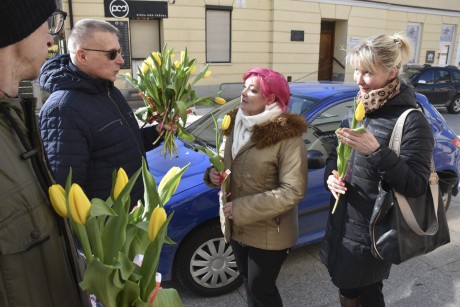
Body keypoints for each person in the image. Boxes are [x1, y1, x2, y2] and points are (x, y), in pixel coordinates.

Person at [320, 33, 434, 307]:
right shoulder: (360, 107)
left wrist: (376, 152)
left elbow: (417, 185)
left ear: (392, 72)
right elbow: (337, 157)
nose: (358, 79)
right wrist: (331, 178)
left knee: (368, 292)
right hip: (343, 223)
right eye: (357, 70)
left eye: (368, 73)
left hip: (373, 233)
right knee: (347, 288)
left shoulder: (412, 121)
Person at [0, 1, 89, 306]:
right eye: (46, 23)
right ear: (16, 28)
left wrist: (93, 278)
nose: (52, 38)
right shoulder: (60, 107)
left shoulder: (17, 118)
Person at [205, 67, 308, 307]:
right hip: (236, 224)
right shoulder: (235, 123)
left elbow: (292, 191)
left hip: (271, 230)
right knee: (247, 281)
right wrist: (214, 175)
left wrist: (239, 208)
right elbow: (226, 164)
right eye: (245, 87)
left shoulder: (287, 137)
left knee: (261, 289)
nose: (243, 93)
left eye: (253, 90)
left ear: (270, 98)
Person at [39, 19, 168, 203]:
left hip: (134, 217)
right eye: (112, 54)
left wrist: (156, 133)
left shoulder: (108, 90)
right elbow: (67, 196)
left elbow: (119, 145)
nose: (121, 61)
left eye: (120, 52)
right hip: (111, 227)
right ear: (82, 56)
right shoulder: (62, 109)